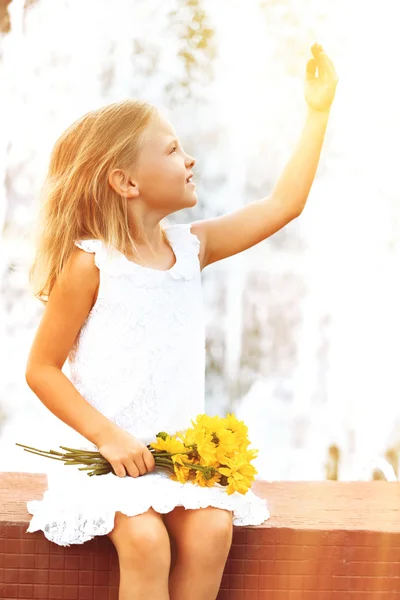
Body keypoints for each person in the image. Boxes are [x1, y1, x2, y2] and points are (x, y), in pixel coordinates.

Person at [23, 42, 338, 600]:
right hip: (108, 460)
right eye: (172, 150)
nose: (189, 158)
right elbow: (42, 369)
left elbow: (282, 204)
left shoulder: (191, 248)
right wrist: (110, 438)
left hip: (174, 461)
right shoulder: (91, 263)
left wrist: (317, 113)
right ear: (126, 182)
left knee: (214, 527)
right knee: (145, 541)